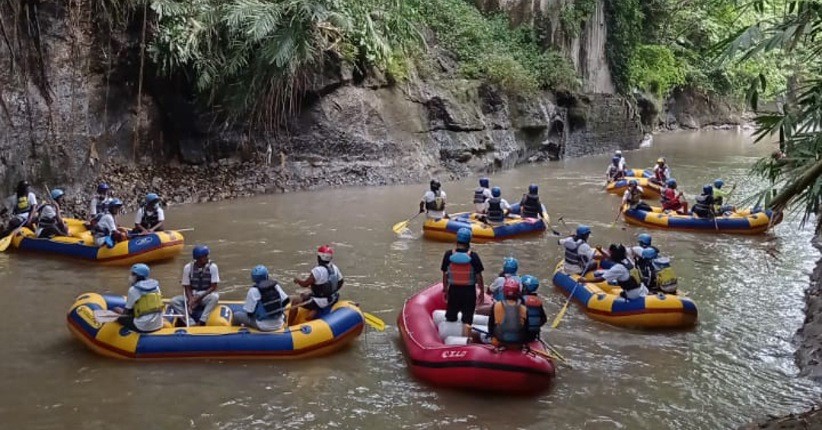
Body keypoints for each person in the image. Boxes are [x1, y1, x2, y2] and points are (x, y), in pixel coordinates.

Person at [441, 227, 484, 326]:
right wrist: (481, 292)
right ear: (469, 240)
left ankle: (449, 335)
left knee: (451, 316)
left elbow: (445, 275)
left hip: (454, 290)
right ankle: (466, 338)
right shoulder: (473, 256)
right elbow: (479, 276)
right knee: (467, 319)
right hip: (469, 292)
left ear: (457, 240)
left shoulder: (448, 255)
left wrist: (445, 290)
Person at [171, 245, 220, 326]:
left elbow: (213, 287)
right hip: (192, 294)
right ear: (198, 259)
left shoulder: (213, 267)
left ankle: (202, 321)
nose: (207, 258)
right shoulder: (188, 267)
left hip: (206, 295)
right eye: (205, 256)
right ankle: (190, 322)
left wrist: (198, 298)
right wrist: (191, 300)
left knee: (215, 297)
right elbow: (187, 286)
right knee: (174, 301)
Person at [293, 244, 345, 320]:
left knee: (295, 301)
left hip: (321, 301)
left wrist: (298, 280)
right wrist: (331, 291)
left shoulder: (317, 270)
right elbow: (341, 281)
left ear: (319, 257)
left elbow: (305, 284)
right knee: (305, 294)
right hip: (333, 298)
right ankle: (316, 309)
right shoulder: (334, 267)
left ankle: (289, 325)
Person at [234, 265, 290, 331]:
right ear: (266, 275)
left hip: (263, 325)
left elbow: (249, 313)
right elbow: (286, 300)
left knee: (236, 315)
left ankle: (238, 333)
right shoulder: (275, 286)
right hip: (279, 323)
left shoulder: (253, 290)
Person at [581, 244, 648, 300]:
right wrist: (601, 250)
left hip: (633, 295)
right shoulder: (627, 259)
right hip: (642, 289)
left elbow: (601, 279)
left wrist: (586, 280)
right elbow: (611, 258)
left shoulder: (618, 268)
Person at [114, 263, 164, 333]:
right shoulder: (156, 287)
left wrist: (119, 313)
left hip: (142, 327)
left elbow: (126, 312)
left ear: (138, 276)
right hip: (159, 324)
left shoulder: (133, 290)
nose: (131, 276)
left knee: (118, 314)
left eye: (133, 274)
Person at [488, 279, 527, 348]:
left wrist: (491, 336)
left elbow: (490, 325)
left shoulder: (496, 305)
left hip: (499, 342)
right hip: (517, 344)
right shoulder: (524, 308)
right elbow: (526, 329)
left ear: (504, 291)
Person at [520, 275, 547, 343]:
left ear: (524, 288)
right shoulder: (538, 302)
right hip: (533, 336)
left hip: (520, 335)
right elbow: (544, 319)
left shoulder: (520, 300)